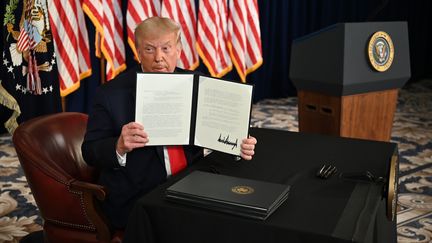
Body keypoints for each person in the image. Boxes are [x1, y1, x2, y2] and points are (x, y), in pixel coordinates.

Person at [81, 16, 257, 231]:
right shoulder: (111, 94)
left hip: (193, 185)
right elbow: (89, 151)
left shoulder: (198, 83)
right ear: (138, 53)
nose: (158, 58)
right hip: (141, 196)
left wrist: (239, 144)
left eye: (166, 48)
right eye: (149, 49)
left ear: (179, 51)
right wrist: (119, 146)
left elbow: (220, 133)